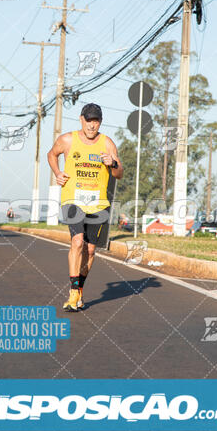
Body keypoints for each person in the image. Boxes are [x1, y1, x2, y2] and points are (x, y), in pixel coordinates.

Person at [47, 103, 123, 312]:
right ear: (81, 119)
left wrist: (113, 164)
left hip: (98, 202)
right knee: (78, 241)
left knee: (90, 250)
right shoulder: (67, 139)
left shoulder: (107, 143)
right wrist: (57, 172)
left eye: (96, 120)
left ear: (100, 122)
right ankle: (73, 292)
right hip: (72, 198)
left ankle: (79, 290)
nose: (92, 125)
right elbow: (52, 154)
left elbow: (119, 174)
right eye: (88, 120)